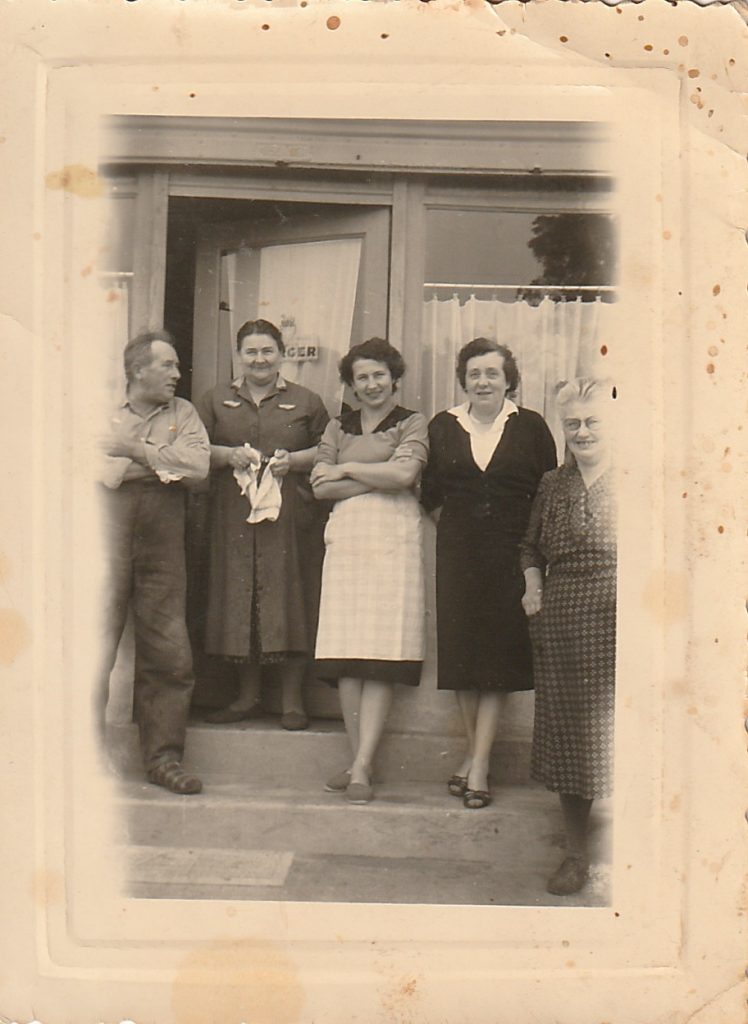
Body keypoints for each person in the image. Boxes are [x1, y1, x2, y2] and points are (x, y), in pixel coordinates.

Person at [421, 338, 557, 809]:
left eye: (492, 373)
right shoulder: (443, 425)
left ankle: (477, 764)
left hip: (510, 555)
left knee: (497, 658)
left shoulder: (531, 426)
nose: (483, 382)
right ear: (463, 379)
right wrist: (460, 529)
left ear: (508, 380)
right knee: (462, 658)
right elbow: (429, 492)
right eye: (474, 373)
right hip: (458, 554)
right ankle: (475, 755)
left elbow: (547, 491)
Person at [311, 338, 428, 804]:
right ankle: (358, 760)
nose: (372, 384)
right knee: (345, 651)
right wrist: (375, 474)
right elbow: (319, 487)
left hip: (392, 541)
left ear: (394, 378)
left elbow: (405, 477)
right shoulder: (337, 425)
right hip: (347, 541)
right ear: (351, 384)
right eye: (362, 377)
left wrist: (345, 471)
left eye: (379, 374)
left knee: (379, 651)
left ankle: (361, 764)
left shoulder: (412, 422)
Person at [196, 319, 329, 730]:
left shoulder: (306, 401)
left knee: (290, 600)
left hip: (289, 519)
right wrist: (226, 455)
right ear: (239, 356)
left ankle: (292, 701)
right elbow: (193, 447)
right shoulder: (215, 399)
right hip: (232, 516)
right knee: (240, 599)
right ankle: (246, 697)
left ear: (281, 354)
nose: (259, 359)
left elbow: (330, 449)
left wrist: (296, 460)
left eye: (267, 351)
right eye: (251, 351)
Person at [98, 329, 210, 794]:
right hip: (104, 533)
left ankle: (164, 760)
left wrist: (132, 451)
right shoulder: (100, 410)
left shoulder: (184, 413)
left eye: (176, 365)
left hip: (164, 536)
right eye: (168, 365)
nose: (177, 374)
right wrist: (162, 464)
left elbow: (198, 469)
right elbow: (89, 468)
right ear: (138, 370)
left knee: (168, 648)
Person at [520, 377, 616, 896]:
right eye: (573, 423)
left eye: (593, 421)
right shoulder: (553, 483)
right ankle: (577, 855)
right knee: (573, 738)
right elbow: (530, 547)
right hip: (563, 620)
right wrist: (533, 588)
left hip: (622, 617)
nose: (582, 432)